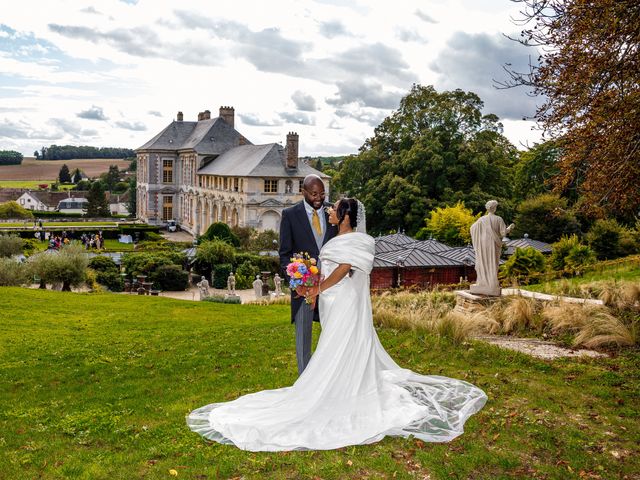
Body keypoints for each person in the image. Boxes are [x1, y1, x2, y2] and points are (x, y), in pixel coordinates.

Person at [187, 198, 487, 452]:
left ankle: (344, 390)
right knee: (335, 342)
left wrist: (318, 288)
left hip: (345, 302)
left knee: (342, 344)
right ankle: (342, 384)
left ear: (345, 216)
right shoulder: (337, 239)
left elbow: (344, 270)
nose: (329, 211)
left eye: (334, 209)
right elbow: (329, 267)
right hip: (330, 302)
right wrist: (314, 289)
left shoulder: (360, 240)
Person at [278, 174, 338, 375]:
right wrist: (297, 283)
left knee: (334, 337)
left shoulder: (334, 213)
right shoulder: (290, 215)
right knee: (303, 341)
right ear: (303, 192)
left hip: (331, 287)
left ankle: (329, 378)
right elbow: (285, 254)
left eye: (322, 193)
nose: (319, 198)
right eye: (314, 194)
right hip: (303, 291)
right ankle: (305, 384)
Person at [470, 200, 514, 296]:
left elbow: (472, 228)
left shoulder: (481, 220)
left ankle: (482, 282)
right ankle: (491, 283)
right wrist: (510, 228)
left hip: (482, 244)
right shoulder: (498, 219)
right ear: (494, 208)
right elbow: (503, 233)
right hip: (493, 243)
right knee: (492, 262)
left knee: (483, 261)